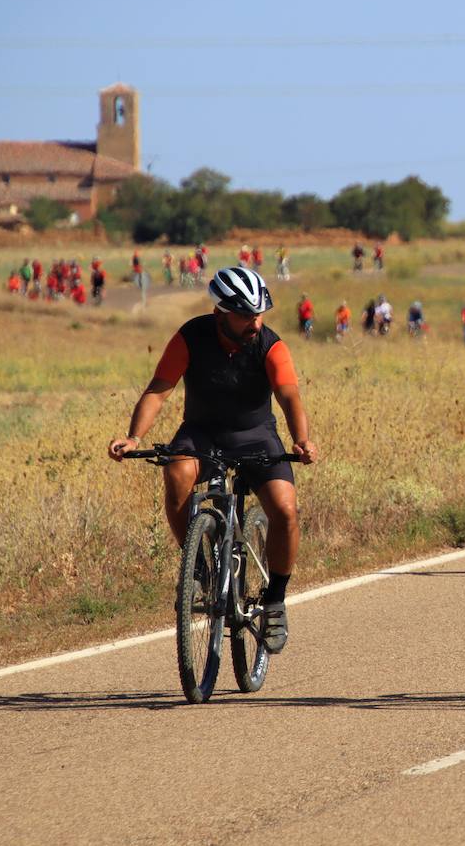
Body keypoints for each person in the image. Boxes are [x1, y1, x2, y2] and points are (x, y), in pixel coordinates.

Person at [107, 267, 318, 654]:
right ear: (220, 313)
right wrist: (133, 436)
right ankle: (199, 570)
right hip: (202, 433)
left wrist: (301, 440)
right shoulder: (191, 337)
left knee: (285, 511)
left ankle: (275, 601)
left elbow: (289, 396)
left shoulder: (271, 345)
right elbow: (159, 390)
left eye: (260, 313)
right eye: (246, 315)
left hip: (256, 437)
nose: (256, 322)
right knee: (176, 471)